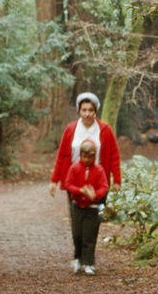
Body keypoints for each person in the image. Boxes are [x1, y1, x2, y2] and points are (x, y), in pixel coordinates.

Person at [50, 92, 122, 271]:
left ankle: (88, 260)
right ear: (78, 111)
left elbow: (114, 155)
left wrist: (117, 179)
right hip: (74, 178)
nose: (87, 114)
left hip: (98, 179)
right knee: (77, 222)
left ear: (96, 111)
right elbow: (62, 155)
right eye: (84, 110)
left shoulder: (104, 130)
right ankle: (77, 257)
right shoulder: (71, 129)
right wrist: (54, 180)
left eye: (91, 110)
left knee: (92, 221)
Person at [63, 139, 109, 275]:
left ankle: (89, 262)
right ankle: (78, 258)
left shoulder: (99, 170)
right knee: (77, 234)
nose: (87, 160)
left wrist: (94, 194)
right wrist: (80, 191)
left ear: (95, 157)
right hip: (77, 206)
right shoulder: (75, 168)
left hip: (92, 207)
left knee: (89, 235)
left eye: (90, 157)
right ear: (80, 155)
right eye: (85, 156)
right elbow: (68, 184)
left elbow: (104, 187)